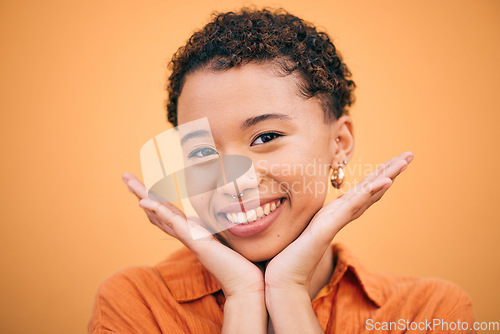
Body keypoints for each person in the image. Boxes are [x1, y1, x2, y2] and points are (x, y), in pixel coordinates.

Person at [88, 7, 475, 333]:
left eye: (265, 136)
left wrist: (288, 291)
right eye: (202, 151)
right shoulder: (138, 305)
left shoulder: (426, 312)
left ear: (338, 144)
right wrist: (242, 297)